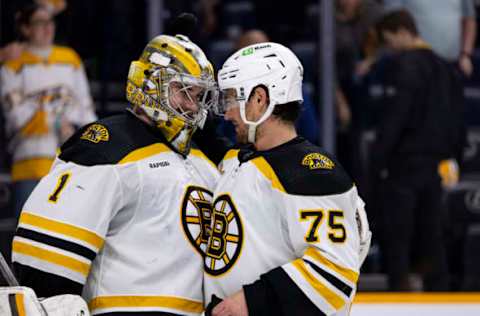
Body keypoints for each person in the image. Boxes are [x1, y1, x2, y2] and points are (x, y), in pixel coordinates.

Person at [11, 33, 219, 315]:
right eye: (184, 92)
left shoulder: (204, 161)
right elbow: (46, 260)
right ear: (149, 84)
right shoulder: (107, 146)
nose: (193, 107)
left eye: (198, 96)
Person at [203, 42, 371, 316]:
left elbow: (335, 272)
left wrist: (251, 300)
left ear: (259, 99)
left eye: (233, 99)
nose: (228, 112)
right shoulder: (238, 158)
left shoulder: (312, 173)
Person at [373, 10, 465, 291]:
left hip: (405, 164)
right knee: (432, 234)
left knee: (399, 235)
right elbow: (457, 119)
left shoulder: (404, 66)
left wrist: (377, 161)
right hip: (436, 163)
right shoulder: (444, 67)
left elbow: (395, 118)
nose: (389, 47)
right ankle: (440, 296)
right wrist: (455, 157)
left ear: (402, 31)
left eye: (388, 40)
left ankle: (399, 295)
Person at [0, 4, 96, 218]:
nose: (47, 28)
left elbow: (86, 108)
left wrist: (77, 131)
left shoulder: (70, 59)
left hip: (71, 164)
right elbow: (16, 116)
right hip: (30, 165)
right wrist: (55, 120)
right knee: (26, 239)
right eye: (39, 23)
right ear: (25, 29)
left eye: (50, 22)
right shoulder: (12, 64)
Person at [383, 0, 477, 77]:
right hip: (414, 65)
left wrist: (465, 54)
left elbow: (469, 19)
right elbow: (392, 19)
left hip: (452, 64)